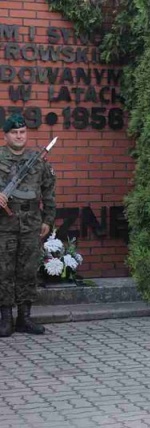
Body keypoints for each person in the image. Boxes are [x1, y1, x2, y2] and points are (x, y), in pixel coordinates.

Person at [0, 113, 56, 337]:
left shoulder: (38, 161)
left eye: (22, 132)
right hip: (4, 223)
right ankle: (6, 319)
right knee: (3, 270)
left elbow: (49, 192)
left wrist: (48, 220)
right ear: (5, 135)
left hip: (31, 223)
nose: (19, 136)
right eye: (14, 132)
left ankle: (24, 318)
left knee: (28, 270)